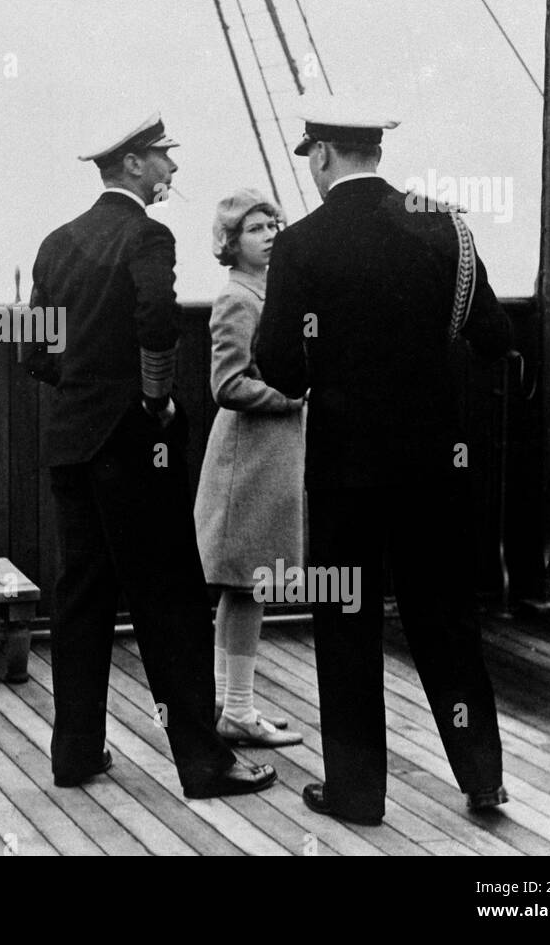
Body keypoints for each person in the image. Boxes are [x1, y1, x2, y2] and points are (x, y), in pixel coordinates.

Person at [256, 96, 512, 825]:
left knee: (346, 622)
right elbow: (491, 333)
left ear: (324, 156)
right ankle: (483, 776)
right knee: (445, 619)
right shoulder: (445, 228)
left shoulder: (301, 244)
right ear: (377, 152)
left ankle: (358, 792)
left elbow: (278, 365)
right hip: (436, 465)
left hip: (346, 472)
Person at [23, 112, 276, 799]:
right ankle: (204, 763)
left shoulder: (57, 243)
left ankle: (75, 753)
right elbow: (157, 323)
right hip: (136, 446)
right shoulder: (147, 235)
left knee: (81, 599)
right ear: (132, 165)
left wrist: (80, 384)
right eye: (162, 158)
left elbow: (34, 350)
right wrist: (156, 402)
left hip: (72, 443)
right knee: (169, 603)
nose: (171, 170)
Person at [193, 190, 304, 748]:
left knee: (246, 589)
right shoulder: (237, 297)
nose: (271, 234)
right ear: (231, 242)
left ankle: (229, 703)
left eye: (274, 224)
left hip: (265, 458)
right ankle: (236, 709)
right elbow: (227, 384)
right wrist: (292, 397)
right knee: (248, 587)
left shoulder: (267, 292)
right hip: (248, 461)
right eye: (258, 228)